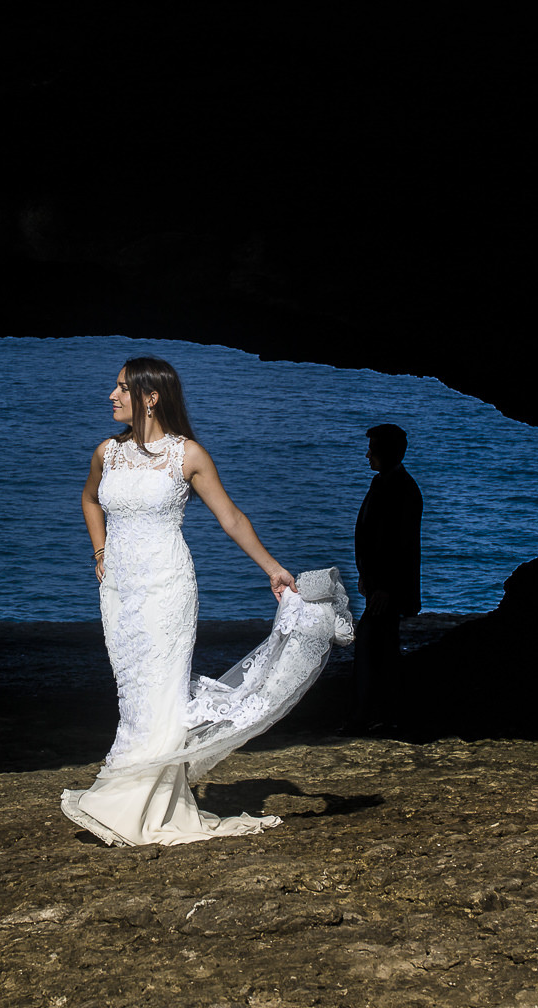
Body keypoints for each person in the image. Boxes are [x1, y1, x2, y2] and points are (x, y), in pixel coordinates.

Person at [60, 357, 356, 847]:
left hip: (167, 586)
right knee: (134, 690)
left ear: (150, 397)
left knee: (159, 689)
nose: (111, 396)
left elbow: (231, 517)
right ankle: (144, 798)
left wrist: (273, 568)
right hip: (120, 590)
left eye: (121, 389)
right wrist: (100, 550)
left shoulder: (187, 455)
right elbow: (90, 499)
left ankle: (132, 803)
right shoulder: (107, 453)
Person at [348, 422, 422, 732]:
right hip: (379, 586)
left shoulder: (402, 489)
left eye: (373, 450)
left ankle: (371, 717)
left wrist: (387, 589)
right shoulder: (383, 483)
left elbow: (402, 545)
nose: (367, 455)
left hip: (388, 590)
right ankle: (381, 715)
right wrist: (366, 575)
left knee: (373, 648)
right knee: (379, 648)